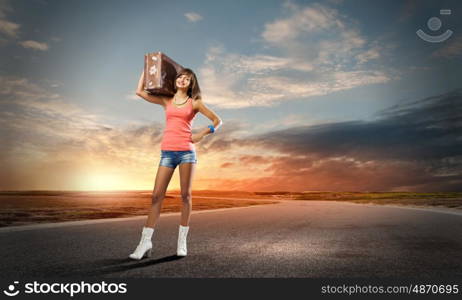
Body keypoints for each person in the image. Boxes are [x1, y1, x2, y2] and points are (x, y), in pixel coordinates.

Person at [129, 67, 222, 259]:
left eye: (187, 78)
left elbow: (217, 120)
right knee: (156, 196)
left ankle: (182, 242)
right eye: (180, 77)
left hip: (187, 152)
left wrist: (202, 134)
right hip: (167, 153)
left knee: (185, 196)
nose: (182, 79)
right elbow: (140, 92)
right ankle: (145, 242)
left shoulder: (195, 103)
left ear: (191, 83)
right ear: (175, 80)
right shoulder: (167, 100)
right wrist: (146, 70)